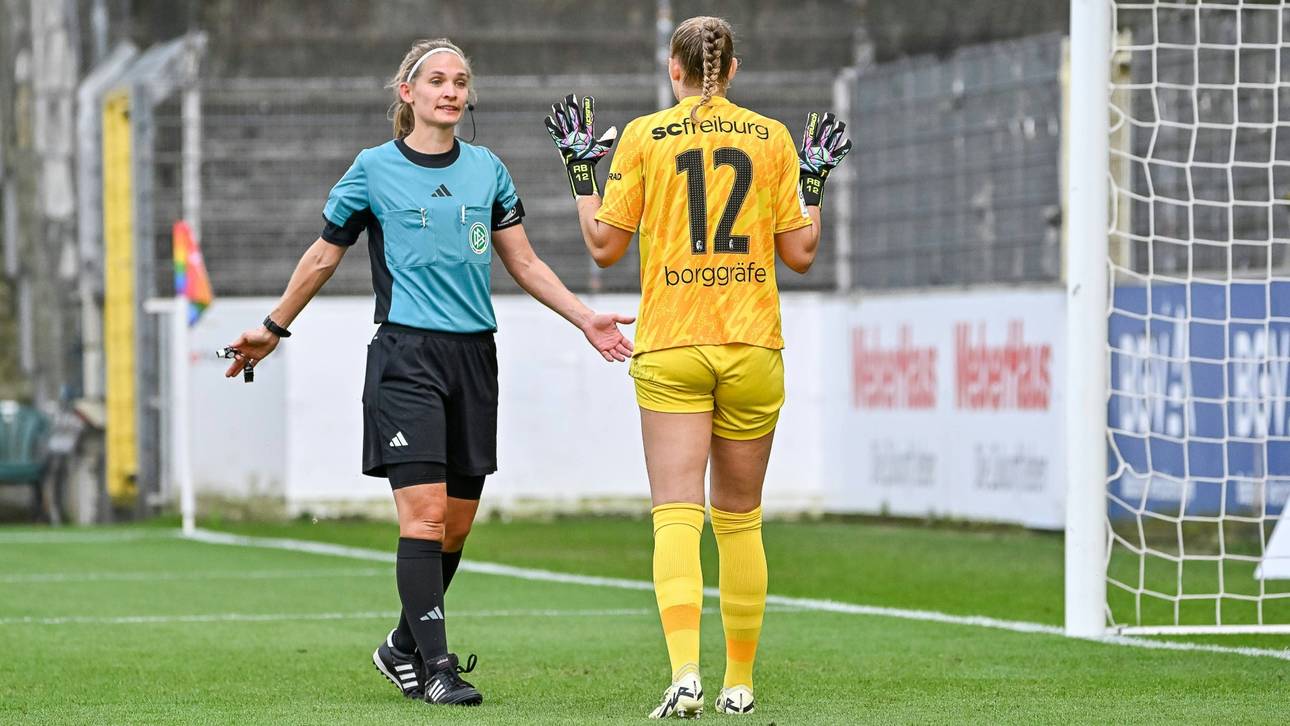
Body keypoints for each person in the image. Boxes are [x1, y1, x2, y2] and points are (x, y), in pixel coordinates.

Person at [223, 38, 635, 708]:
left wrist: (585, 318)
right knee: (425, 517)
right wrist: (272, 329)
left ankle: (400, 645)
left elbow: (524, 262)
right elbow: (323, 257)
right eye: (437, 80)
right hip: (406, 359)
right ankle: (437, 667)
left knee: (456, 527)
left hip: (474, 359)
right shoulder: (372, 169)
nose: (450, 91)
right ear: (407, 92)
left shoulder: (488, 170)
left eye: (460, 81)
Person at [545, 16, 851, 719]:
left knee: (677, 516)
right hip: (751, 343)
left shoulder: (643, 136)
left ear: (672, 69)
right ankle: (739, 685)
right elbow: (801, 253)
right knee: (740, 520)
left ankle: (686, 675)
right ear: (733, 69)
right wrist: (814, 182)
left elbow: (603, 248)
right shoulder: (771, 137)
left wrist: (580, 171)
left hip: (674, 343)